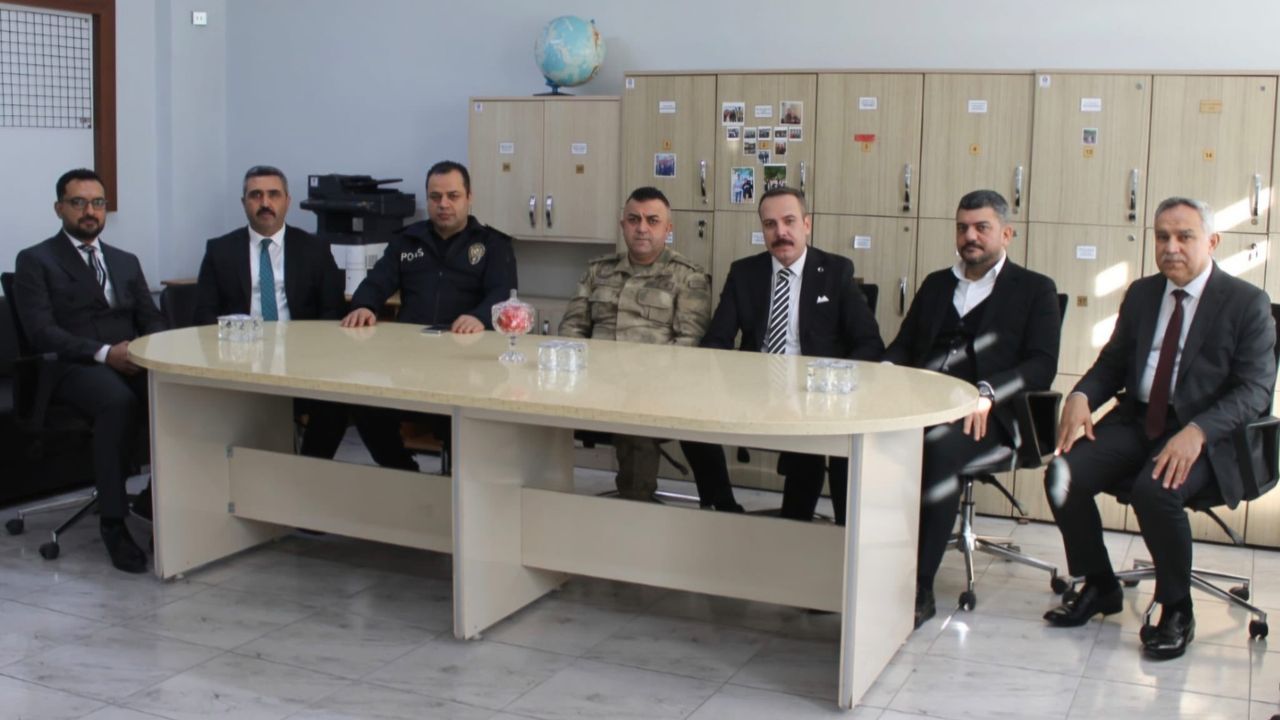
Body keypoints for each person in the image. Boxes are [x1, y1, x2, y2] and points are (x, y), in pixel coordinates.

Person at [1042, 197, 1275, 660]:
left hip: (1208, 435)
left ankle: (1176, 608)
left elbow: (1254, 390)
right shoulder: (1143, 294)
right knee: (1061, 475)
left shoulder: (1247, 303)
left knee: (1155, 490)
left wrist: (1199, 431)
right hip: (1139, 419)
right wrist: (1082, 395)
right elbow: (1112, 363)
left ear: (1212, 241)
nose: (1171, 247)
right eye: (1162, 237)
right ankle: (1100, 584)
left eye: (1185, 237)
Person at [883, 190, 1061, 628]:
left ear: (1006, 234)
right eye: (963, 228)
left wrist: (987, 392)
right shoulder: (937, 284)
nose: (971, 237)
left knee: (938, 449)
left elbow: (1041, 365)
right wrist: (883, 373)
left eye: (982, 228)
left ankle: (919, 586)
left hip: (992, 416)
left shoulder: (1035, 289)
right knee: (870, 441)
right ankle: (870, 566)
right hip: (922, 405)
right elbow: (905, 345)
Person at [681, 186, 884, 520]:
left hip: (814, 393)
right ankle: (723, 510)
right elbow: (716, 340)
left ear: (807, 224)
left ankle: (801, 525)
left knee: (810, 443)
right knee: (690, 421)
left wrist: (833, 382)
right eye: (770, 224)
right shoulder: (744, 273)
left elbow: (870, 343)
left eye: (789, 221)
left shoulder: (836, 271)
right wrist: (716, 382)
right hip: (753, 388)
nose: (781, 232)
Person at [193, 165, 407, 468]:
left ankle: (307, 471)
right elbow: (203, 316)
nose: (265, 203)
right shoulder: (220, 251)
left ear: (287, 201)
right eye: (255, 195)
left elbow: (331, 312)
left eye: (273, 194)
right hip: (239, 364)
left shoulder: (314, 249)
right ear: (244, 203)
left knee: (336, 404)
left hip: (301, 362)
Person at [12, 168, 167, 573]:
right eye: (78, 202)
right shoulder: (36, 260)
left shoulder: (125, 261)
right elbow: (42, 332)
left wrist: (147, 351)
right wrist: (104, 353)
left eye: (97, 203)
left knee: (177, 394)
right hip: (71, 366)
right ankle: (114, 524)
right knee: (116, 402)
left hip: (129, 359)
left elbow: (151, 319)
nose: (89, 211)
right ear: (59, 208)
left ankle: (156, 503)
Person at [339, 161, 518, 468]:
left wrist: (479, 316)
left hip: (467, 365)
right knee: (365, 405)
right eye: (435, 197)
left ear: (469, 197)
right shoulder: (407, 240)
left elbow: (504, 294)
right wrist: (364, 305)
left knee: (464, 425)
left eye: (453, 196)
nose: (443, 204)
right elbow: (377, 281)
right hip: (410, 361)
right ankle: (403, 471)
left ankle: (456, 482)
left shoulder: (493, 244)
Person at [559, 187, 712, 501]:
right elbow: (571, 328)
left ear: (668, 229)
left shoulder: (687, 277)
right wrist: (578, 378)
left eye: (652, 220)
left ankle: (634, 508)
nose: (642, 228)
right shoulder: (598, 270)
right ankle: (544, 500)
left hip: (651, 389)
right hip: (594, 383)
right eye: (633, 219)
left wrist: (642, 385)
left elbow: (688, 346)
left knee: (635, 422)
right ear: (622, 225)